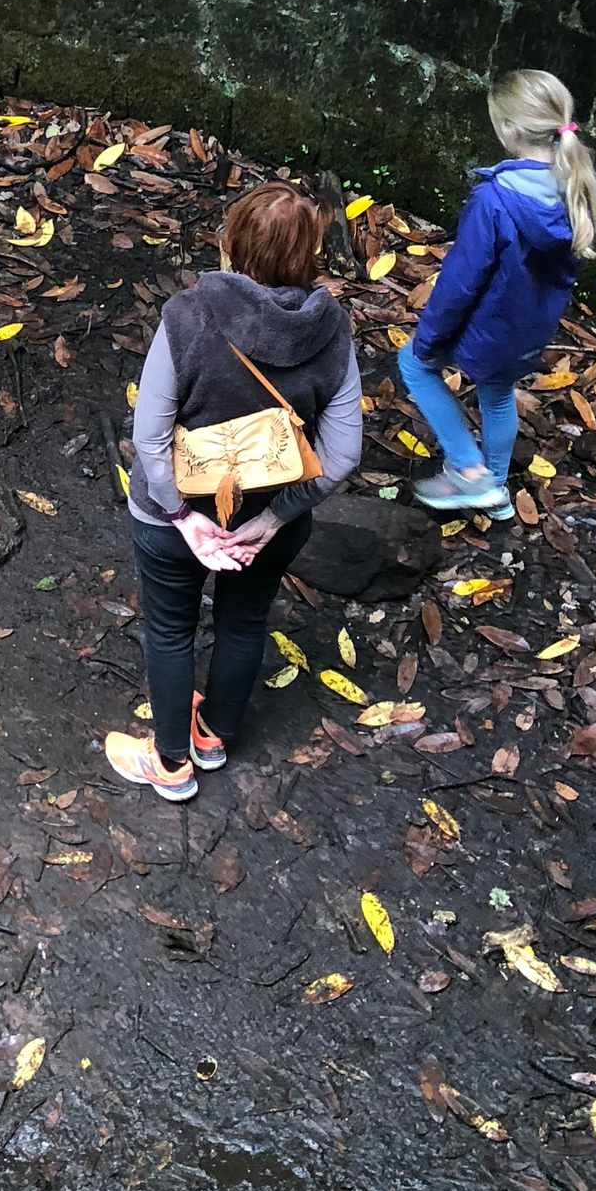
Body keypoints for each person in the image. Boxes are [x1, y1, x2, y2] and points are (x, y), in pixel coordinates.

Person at [105, 183, 363, 803]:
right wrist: (274, 518)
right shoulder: (332, 330)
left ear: (234, 242)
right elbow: (344, 454)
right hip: (267, 524)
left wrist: (182, 517)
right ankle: (213, 737)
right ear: (311, 254)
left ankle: (169, 765)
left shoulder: (190, 316)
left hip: (176, 517)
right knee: (244, 622)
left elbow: (151, 434)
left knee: (169, 630)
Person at [398, 68, 596, 519]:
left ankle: (470, 473)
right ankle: (497, 490)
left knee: (413, 366)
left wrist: (430, 336)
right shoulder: (574, 185)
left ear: (509, 129)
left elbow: (460, 282)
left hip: (487, 325)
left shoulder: (494, 199)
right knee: (497, 393)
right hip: (528, 328)